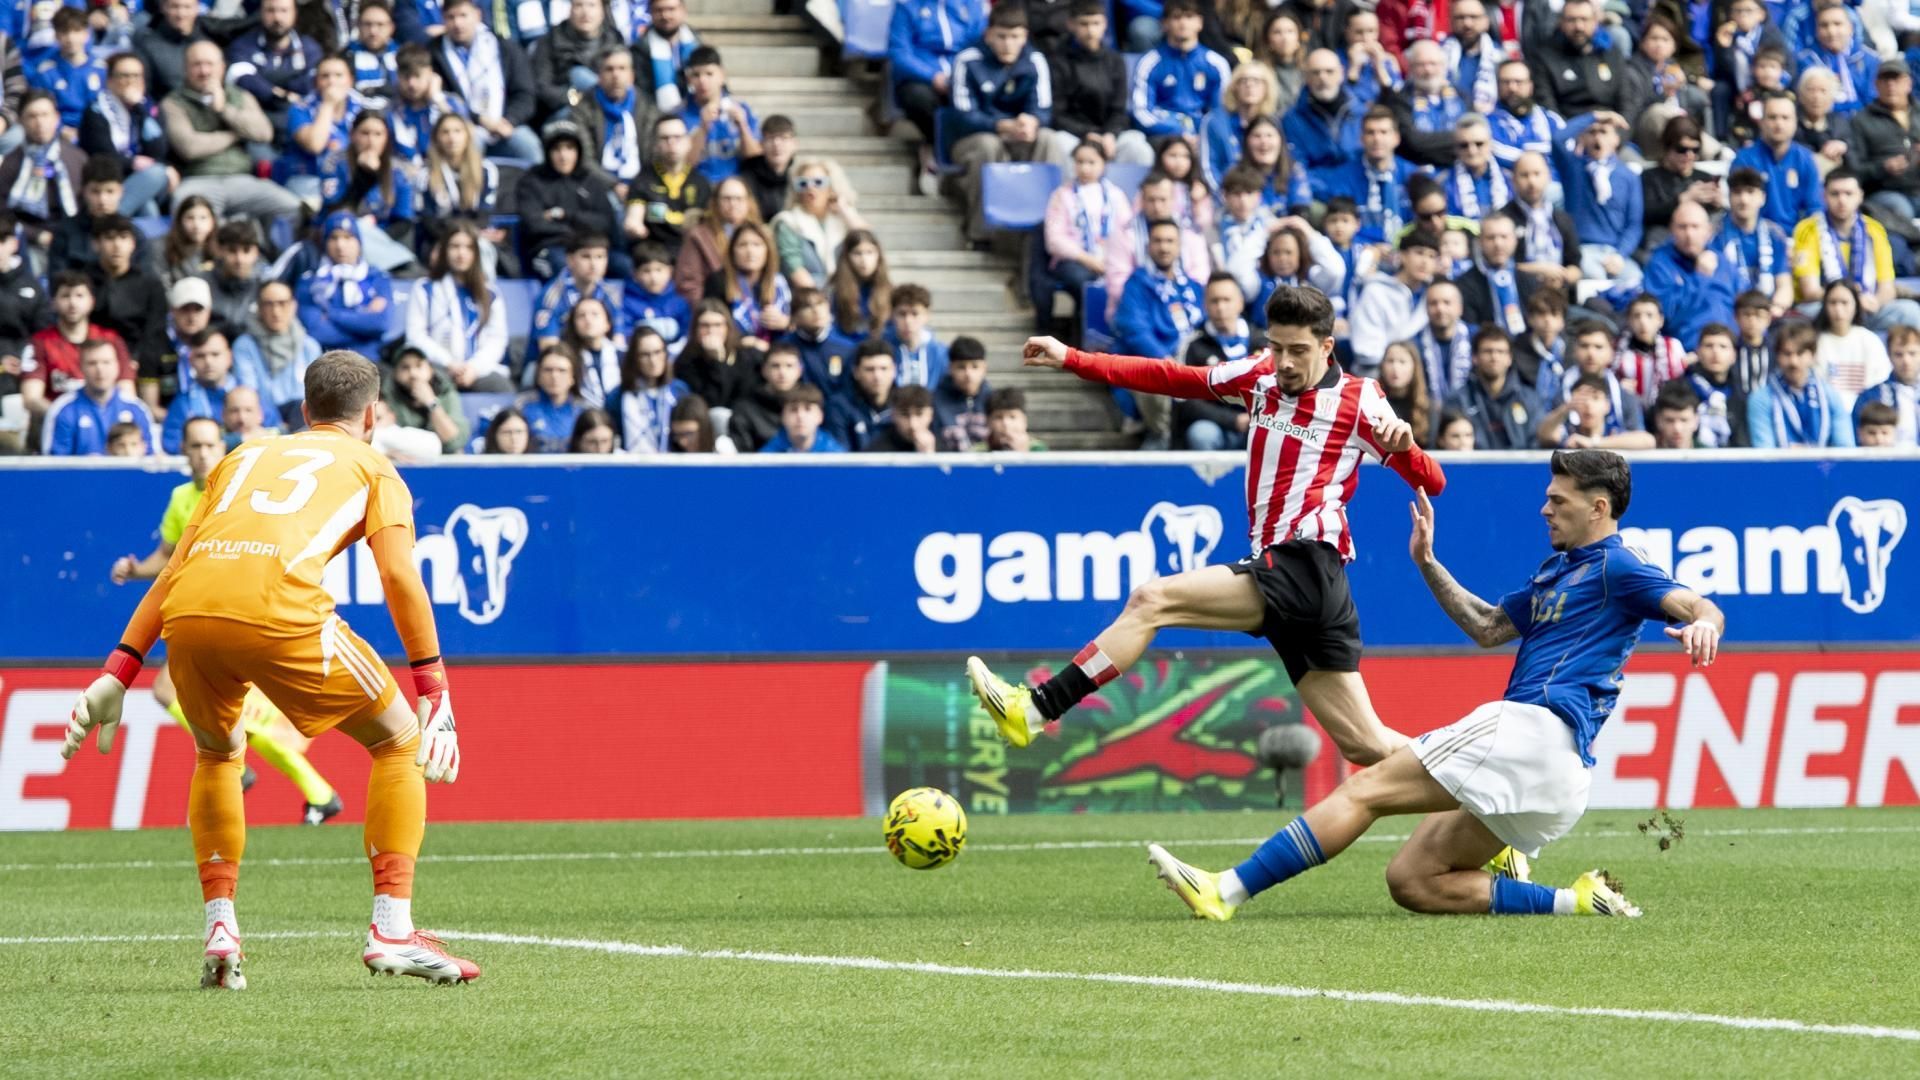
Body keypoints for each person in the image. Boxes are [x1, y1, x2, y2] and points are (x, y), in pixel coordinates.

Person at [1145, 450, 1725, 923]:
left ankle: (1226, 889)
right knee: (1414, 881)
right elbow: (1487, 626)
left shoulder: (1618, 565)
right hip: (1559, 776)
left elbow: (1696, 604)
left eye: (1558, 500)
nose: (1544, 508)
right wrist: (1428, 562)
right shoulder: (1560, 571)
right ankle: (1576, 900)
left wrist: (1703, 623)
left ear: (1599, 508)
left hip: (1535, 727)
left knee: (1365, 789)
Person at [61, 350, 477, 985]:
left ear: (306, 411)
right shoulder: (375, 467)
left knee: (217, 754)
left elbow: (172, 571)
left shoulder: (241, 455)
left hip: (188, 616)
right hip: (281, 611)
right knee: (399, 739)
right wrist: (434, 687)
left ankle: (220, 927)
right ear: (371, 416)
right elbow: (398, 574)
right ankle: (392, 928)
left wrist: (118, 671)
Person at [969, 285, 1448, 776]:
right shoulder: (1259, 375)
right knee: (1366, 744)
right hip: (1297, 579)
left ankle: (1037, 709)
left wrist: (1407, 448)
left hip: (1307, 562)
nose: (1285, 362)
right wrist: (1073, 358)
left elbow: (1432, 481)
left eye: (1298, 350)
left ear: (1327, 346)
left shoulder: (1360, 399)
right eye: (1277, 346)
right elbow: (1170, 377)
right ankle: (1472, 790)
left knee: (1152, 600)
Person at [109, 414, 340, 821]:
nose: (203, 454)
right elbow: (168, 556)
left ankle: (245, 766)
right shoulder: (182, 498)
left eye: (210, 445)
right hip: (200, 610)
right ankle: (316, 791)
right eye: (195, 446)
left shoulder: (243, 491)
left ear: (223, 449)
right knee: (228, 711)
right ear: (184, 450)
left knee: (177, 693)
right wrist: (135, 569)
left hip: (237, 610)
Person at [949, 5, 1062, 246]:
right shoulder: (967, 60)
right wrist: (1001, 125)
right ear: (989, 35)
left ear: (1025, 37)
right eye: (1001, 36)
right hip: (974, 138)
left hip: (1020, 136)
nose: (1008, 44)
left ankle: (1048, 229)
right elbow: (964, 116)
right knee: (988, 146)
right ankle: (981, 233)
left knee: (1048, 139)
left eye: (1015, 37)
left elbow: (1043, 108)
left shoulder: (1035, 60)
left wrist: (1032, 121)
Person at [163, 43, 304, 220]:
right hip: (199, 179)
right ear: (185, 69)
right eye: (197, 64)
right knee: (184, 208)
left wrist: (223, 109)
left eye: (209, 64)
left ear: (222, 67)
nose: (204, 71)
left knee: (292, 207)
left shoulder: (240, 95)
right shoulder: (173, 103)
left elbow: (264, 133)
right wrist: (236, 134)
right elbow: (190, 148)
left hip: (242, 179)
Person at [1791, 167, 1920, 331]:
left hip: (1868, 308)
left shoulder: (1875, 229)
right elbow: (1810, 291)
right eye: (1835, 194)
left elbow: (1887, 288)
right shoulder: (1807, 229)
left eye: (1848, 193)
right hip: (1827, 309)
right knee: (1806, 314)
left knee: (1910, 312)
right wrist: (1851, 300)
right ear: (1824, 196)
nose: (1842, 200)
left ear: (1860, 196)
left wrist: (1874, 302)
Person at [1044, 0, 1152, 171]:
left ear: (1105, 24)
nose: (1090, 30)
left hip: (1109, 137)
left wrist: (1110, 134)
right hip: (1075, 136)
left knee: (1137, 145)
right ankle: (1070, 189)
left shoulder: (1116, 60)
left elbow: (1119, 110)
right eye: (1084, 24)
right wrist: (1087, 134)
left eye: (1096, 23)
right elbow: (1057, 114)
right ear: (1071, 25)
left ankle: (1144, 189)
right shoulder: (1058, 62)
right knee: (1058, 142)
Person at [888, 0, 985, 185]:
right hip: (923, 80)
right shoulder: (907, 6)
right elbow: (899, 54)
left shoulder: (972, 4)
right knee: (917, 96)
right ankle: (934, 149)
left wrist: (962, 75)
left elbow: (981, 44)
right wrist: (932, 76)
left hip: (964, 75)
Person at [405, 222, 510, 391]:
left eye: (468, 247)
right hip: (438, 368)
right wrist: (449, 363)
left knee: (501, 386)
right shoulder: (424, 288)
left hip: (477, 371)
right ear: (444, 250)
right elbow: (416, 335)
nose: (461, 253)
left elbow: (497, 339)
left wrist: (473, 368)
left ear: (476, 253)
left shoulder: (491, 293)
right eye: (455, 246)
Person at [432, 0, 541, 163]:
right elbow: (444, 100)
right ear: (443, 19)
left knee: (529, 146)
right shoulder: (435, 54)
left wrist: (509, 120)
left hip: (506, 123)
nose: (457, 23)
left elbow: (524, 93)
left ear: (478, 15)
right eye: (451, 17)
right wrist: (480, 120)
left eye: (463, 15)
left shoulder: (504, 48)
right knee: (469, 143)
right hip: (465, 126)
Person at [19, 271, 135, 419]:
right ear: (53, 303)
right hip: (58, 423)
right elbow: (31, 399)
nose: (72, 303)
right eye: (65, 296)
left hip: (106, 423)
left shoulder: (111, 340)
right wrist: (68, 418)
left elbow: (127, 393)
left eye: (79, 295)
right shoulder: (39, 342)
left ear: (91, 302)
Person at [514, 120, 620, 280]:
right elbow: (534, 224)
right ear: (547, 152)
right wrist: (577, 230)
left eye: (570, 148)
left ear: (579, 151)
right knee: (565, 268)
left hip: (592, 248)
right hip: (551, 249)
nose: (563, 156)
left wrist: (565, 215)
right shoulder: (532, 181)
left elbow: (605, 222)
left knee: (626, 267)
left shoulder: (591, 181)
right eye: (556, 149)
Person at [1552, 110, 1641, 296]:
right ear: (1583, 138)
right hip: (1583, 251)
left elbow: (1634, 225)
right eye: (1592, 132)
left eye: (1604, 132)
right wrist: (1595, 116)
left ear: (1616, 140)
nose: (1597, 138)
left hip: (1614, 253)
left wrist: (1620, 255)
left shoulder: (1628, 176)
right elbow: (1557, 139)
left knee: (1636, 283)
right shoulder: (1574, 168)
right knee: (1596, 279)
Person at [78, 52, 174, 217]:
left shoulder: (150, 109)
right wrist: (133, 162)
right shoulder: (96, 111)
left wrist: (141, 111)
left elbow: (159, 150)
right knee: (148, 206)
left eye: (136, 76)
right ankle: (109, 219)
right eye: (124, 76)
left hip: (144, 178)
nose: (131, 81)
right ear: (109, 80)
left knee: (156, 174)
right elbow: (104, 156)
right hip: (110, 181)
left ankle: (109, 221)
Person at [323, 110, 419, 272]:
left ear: (386, 137)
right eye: (365, 133)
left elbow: (403, 220)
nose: (371, 141)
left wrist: (378, 239)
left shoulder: (399, 171)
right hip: (342, 236)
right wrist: (364, 176)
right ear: (353, 135)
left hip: (383, 239)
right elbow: (335, 212)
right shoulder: (334, 163)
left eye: (378, 134)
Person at [87, 214, 170, 399]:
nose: (117, 245)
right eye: (109, 238)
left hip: (140, 362)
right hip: (92, 359)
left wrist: (133, 359)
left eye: (123, 238)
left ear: (133, 243)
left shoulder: (151, 285)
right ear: (96, 244)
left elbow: (154, 330)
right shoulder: (84, 283)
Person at [0, 90, 84, 268]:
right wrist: (36, 235)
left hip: (72, 237)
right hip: (28, 240)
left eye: (45, 115)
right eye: (32, 116)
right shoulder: (10, 164)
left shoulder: (76, 158)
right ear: (21, 121)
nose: (40, 123)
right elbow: (3, 213)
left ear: (57, 118)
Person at [1642, 201, 1740, 352]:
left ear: (1708, 231)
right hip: (1685, 352)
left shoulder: (1723, 263)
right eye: (1682, 227)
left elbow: (1744, 304)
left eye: (1695, 227)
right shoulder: (1660, 264)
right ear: (1671, 230)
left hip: (1728, 349)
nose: (1689, 234)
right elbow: (1664, 316)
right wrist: (1700, 277)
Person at [1129, 0, 1231, 141]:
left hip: (1203, 137)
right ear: (1165, 24)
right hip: (1163, 136)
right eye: (1176, 17)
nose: (1183, 23)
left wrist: (1203, 136)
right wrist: (1178, 133)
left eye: (1189, 16)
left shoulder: (1217, 63)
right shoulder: (1149, 62)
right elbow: (1141, 112)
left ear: (1200, 22)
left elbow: (1221, 111)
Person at [1176, 272, 1254, 450]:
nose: (1221, 307)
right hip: (1213, 425)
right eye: (1214, 301)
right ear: (1205, 305)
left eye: (1227, 300)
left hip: (1256, 424)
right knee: (1201, 434)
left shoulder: (1262, 341)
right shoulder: (1193, 345)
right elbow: (1186, 401)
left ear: (1240, 302)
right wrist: (1234, 420)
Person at [224, 0, 321, 139]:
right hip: (257, 120)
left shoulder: (310, 48)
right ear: (261, 13)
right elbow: (244, 79)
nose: (277, 17)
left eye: (283, 10)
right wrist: (280, 94)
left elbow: (311, 84)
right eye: (271, 10)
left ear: (295, 13)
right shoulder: (242, 45)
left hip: (300, 122)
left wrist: (265, 81)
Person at [1749, 322, 1855, 448]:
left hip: (1823, 462)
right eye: (1787, 354)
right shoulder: (1761, 399)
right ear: (1777, 356)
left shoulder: (1830, 395)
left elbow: (1845, 447)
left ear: (1813, 356)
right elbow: (1764, 452)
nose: (1793, 362)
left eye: (1800, 353)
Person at [42, 336, 154, 454]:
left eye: (106, 362)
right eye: (92, 363)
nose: (100, 369)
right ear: (80, 367)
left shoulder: (137, 409)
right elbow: (54, 461)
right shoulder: (63, 409)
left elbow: (151, 458)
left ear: (118, 365)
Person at [1349, 229, 1439, 375]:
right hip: (1377, 374)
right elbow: (1366, 349)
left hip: (1420, 376)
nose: (1425, 261)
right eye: (1419, 253)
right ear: (1402, 256)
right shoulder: (1376, 291)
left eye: (1432, 256)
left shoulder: (1433, 293)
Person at [1527, 0, 1636, 120]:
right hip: (1568, 126)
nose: (1579, 26)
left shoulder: (1612, 53)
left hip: (1610, 125)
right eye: (1571, 20)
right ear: (1561, 22)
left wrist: (1618, 129)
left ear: (1595, 21)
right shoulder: (1544, 57)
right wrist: (1577, 129)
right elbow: (1548, 109)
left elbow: (1627, 103)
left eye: (1584, 19)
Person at [1732, 93, 1824, 235]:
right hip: (1758, 238)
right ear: (1761, 122)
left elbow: (1815, 208)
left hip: (1798, 239)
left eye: (1785, 118)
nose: (1779, 124)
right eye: (1772, 117)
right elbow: (1740, 210)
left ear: (1795, 122)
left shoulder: (1806, 159)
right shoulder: (1744, 160)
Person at [1847, 59, 1920, 237]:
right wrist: (1883, 168)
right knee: (1900, 209)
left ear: (1908, 83)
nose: (1890, 85)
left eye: (1896, 79)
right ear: (1876, 85)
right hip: (1884, 191)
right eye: (1885, 80)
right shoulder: (1861, 121)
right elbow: (1854, 170)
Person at [1324, 105, 1418, 243]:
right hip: (1360, 250)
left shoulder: (1413, 175)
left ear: (1396, 138)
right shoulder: (1343, 178)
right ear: (1361, 139)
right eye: (1370, 132)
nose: (1377, 138)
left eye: (1383, 132)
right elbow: (1340, 227)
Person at [233, 281, 319, 428]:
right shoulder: (245, 345)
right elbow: (248, 392)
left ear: (293, 306)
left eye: (282, 303)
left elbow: (315, 393)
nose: (276, 311)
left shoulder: (309, 346)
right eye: (269, 304)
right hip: (263, 422)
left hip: (303, 419)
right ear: (259, 308)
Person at [625, 113, 711, 262]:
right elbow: (634, 217)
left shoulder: (700, 183)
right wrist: (634, 226)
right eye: (665, 138)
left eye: (677, 137)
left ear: (688, 142)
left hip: (690, 253)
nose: (671, 143)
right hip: (655, 254)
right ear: (656, 144)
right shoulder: (643, 180)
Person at [769, 158, 865, 290]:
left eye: (818, 182)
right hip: (809, 296)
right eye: (803, 183)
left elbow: (867, 242)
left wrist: (844, 209)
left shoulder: (842, 220)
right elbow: (796, 272)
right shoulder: (787, 222)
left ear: (831, 187)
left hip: (848, 292)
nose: (810, 188)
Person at [573, 44, 654, 194]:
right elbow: (584, 159)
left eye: (622, 68)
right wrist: (614, 186)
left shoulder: (648, 108)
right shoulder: (583, 109)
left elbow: (652, 153)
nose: (616, 75)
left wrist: (639, 188)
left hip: (642, 185)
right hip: (599, 187)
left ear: (631, 75)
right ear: (599, 76)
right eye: (609, 69)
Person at [1498, 151, 1582, 296]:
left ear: (1548, 176)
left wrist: (1563, 276)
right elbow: (1499, 265)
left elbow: (1575, 265)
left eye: (1537, 174)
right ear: (1513, 180)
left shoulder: (1563, 218)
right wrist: (1537, 270)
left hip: (1559, 296)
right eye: (1524, 175)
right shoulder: (1502, 219)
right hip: (1519, 296)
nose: (1531, 182)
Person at [531, 231, 624, 356]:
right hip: (557, 363)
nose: (593, 264)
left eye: (600, 257)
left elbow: (618, 341)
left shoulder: (611, 294)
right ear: (570, 260)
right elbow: (549, 349)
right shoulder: (552, 296)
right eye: (586, 256)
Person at [1445, 327, 1539, 450]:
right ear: (1474, 358)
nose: (1494, 357)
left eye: (1500, 351)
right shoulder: (1457, 400)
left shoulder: (1529, 399)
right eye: (1487, 351)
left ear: (1510, 358)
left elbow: (1537, 442)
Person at [1199, 61, 1284, 195]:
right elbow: (1208, 167)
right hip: (1226, 195)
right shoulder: (1215, 121)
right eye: (1243, 81)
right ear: (1234, 87)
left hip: (1266, 196)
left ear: (1267, 88)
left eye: (1256, 81)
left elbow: (1282, 165)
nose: (1250, 85)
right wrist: (1227, 198)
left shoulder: (1273, 123)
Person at [1285, 49, 1363, 193]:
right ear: (1306, 77)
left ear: (1341, 73)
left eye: (1329, 71)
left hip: (1359, 190)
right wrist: (1333, 191)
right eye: (1316, 72)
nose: (1323, 77)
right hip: (1318, 194)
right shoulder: (1291, 120)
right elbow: (1298, 170)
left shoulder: (1361, 113)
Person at [674, 174, 758, 306]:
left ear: (749, 202)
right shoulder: (698, 236)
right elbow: (689, 284)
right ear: (715, 202)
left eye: (739, 198)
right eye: (727, 199)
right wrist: (707, 313)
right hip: (714, 308)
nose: (733, 204)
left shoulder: (761, 235)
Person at [1814, 279, 1894, 410]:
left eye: (1844, 302)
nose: (1838, 309)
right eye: (1833, 302)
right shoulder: (1817, 342)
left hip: (1867, 413)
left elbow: (1881, 381)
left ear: (1856, 305)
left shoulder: (1870, 340)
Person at [532, 0, 623, 115]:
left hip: (608, 105)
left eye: (592, 5)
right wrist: (574, 98)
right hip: (565, 109)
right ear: (570, 9)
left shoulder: (614, 39)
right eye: (579, 5)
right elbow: (542, 87)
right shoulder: (550, 40)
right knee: (578, 74)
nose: (585, 12)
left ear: (602, 11)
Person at [603, 327, 685, 453]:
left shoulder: (680, 391)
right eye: (645, 355)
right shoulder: (616, 398)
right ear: (634, 359)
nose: (653, 360)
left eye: (658, 352)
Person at [162, 328, 239, 454]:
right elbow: (172, 446)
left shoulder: (249, 396)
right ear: (191, 360)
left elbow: (270, 431)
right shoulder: (182, 404)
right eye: (201, 356)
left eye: (215, 354)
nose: (208, 362)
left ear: (229, 357)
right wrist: (235, 441)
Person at [714, 220, 789, 344]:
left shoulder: (780, 282)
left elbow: (798, 324)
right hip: (735, 349)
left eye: (757, 244)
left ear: (768, 250)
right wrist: (743, 342)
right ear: (732, 251)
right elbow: (711, 326)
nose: (750, 251)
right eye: (742, 245)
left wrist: (786, 323)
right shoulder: (718, 281)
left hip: (778, 351)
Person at [1487, 62, 1565, 182]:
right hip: (1507, 188)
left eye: (1518, 82)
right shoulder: (1485, 124)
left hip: (1554, 185)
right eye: (1506, 82)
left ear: (1530, 86)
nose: (1512, 88)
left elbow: (1566, 154)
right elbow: (1497, 154)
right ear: (1497, 86)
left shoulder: (1552, 120)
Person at [1797, 1, 1877, 116]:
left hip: (1864, 121)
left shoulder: (1870, 59)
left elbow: (1874, 100)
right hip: (1825, 122)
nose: (1831, 32)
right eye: (1824, 25)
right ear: (1816, 30)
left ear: (1850, 28)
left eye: (1837, 24)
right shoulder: (1805, 61)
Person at [778, 286, 857, 397]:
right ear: (794, 316)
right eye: (807, 306)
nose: (816, 311)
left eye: (820, 304)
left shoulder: (846, 347)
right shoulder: (783, 347)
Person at [1680, 323, 1749, 448]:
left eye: (1723, 346)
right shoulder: (1680, 389)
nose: (1715, 352)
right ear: (1698, 352)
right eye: (1709, 346)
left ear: (1734, 356)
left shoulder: (1740, 395)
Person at [726, 340, 802, 451]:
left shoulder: (811, 406)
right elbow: (743, 453)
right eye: (775, 366)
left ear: (799, 371)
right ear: (764, 370)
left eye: (789, 366)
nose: (782, 372)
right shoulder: (745, 409)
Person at [1853, 323, 1919, 445]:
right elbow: (1857, 441)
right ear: (1889, 355)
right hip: (1887, 457)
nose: (1906, 361)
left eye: (1912, 353)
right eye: (1898, 354)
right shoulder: (1870, 397)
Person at [824, 339, 895, 450]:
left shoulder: (904, 406)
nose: (877, 376)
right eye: (870, 369)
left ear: (894, 371)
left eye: (884, 369)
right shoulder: (839, 407)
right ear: (856, 372)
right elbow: (839, 454)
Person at [624, 240, 692, 356]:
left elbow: (686, 334)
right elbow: (626, 336)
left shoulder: (679, 302)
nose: (653, 277)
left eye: (659, 270)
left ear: (670, 271)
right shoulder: (627, 303)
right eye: (646, 271)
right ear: (635, 274)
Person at [516, 345, 586, 452]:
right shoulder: (521, 407)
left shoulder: (585, 410)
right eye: (548, 370)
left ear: (572, 377)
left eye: (562, 370)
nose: (554, 376)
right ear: (538, 375)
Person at [826, 230, 891, 340]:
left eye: (869, 252)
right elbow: (830, 328)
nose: (864, 260)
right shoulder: (834, 289)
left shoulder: (889, 290)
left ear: (878, 255)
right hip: (844, 345)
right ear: (847, 256)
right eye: (857, 253)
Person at [1442, 114, 1509, 219]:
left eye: (1479, 144)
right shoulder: (1444, 184)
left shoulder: (1509, 180)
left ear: (1490, 144)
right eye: (1464, 145)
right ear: (1455, 148)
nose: (1472, 151)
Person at [932, 336, 990, 450]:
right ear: (950, 368)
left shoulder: (993, 400)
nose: (968, 374)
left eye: (975, 367)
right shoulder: (935, 401)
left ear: (984, 368)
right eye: (961, 367)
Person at [883, 282, 946, 388]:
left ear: (927, 315)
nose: (908, 321)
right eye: (902, 314)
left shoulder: (941, 354)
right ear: (892, 315)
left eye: (915, 314)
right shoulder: (882, 349)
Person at [738, 114, 796, 225]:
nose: (776, 144)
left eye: (783, 138)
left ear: (794, 144)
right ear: (761, 144)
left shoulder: (797, 177)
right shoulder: (747, 177)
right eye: (770, 138)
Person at [1377, 339, 1438, 446]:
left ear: (1414, 367)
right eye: (1390, 361)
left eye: (1402, 362)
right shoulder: (1373, 403)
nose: (1395, 368)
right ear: (1382, 366)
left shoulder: (1429, 408)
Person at [758, 382, 845, 453]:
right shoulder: (767, 457)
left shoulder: (836, 455)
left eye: (808, 409)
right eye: (793, 410)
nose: (800, 416)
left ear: (820, 416)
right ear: (783, 417)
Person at [861, 382, 938, 453]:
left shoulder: (943, 448)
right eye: (905, 415)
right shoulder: (876, 453)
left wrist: (930, 455)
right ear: (893, 415)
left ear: (930, 415)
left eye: (919, 414)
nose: (912, 424)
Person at [349, 0, 401, 95]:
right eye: (367, 24)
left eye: (380, 24)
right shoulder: (346, 57)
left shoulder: (403, 55)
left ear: (391, 27)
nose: (373, 31)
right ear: (358, 26)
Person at [977, 386, 1046, 451]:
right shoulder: (978, 451)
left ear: (1024, 420)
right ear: (988, 421)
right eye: (999, 417)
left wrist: (1023, 450)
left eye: (1012, 417)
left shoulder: (1038, 449)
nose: (1006, 423)